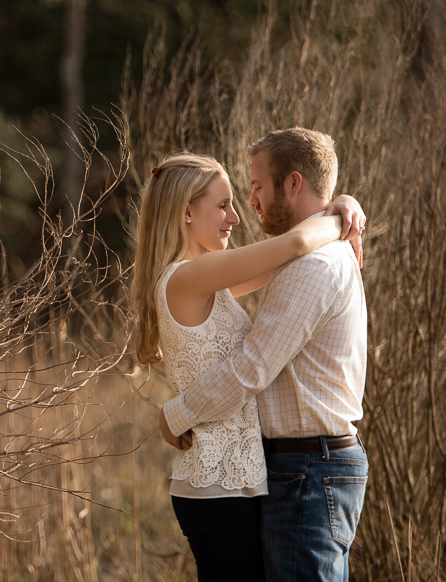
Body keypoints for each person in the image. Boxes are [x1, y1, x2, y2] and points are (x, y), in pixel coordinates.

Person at [131, 150, 364, 582]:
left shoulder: (205, 279)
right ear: (186, 211)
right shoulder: (189, 276)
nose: (235, 218)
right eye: (222, 205)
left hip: (234, 483)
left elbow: (286, 258)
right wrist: (339, 219)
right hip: (215, 488)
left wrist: (344, 200)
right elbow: (294, 244)